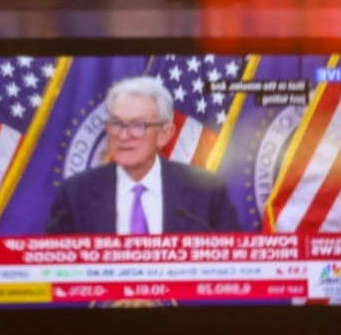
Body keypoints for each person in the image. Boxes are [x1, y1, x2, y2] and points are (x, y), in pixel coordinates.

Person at [46, 76, 240, 235]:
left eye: (138, 125)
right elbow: (54, 262)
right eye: (117, 124)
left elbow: (232, 260)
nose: (124, 136)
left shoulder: (207, 192)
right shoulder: (75, 194)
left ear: (164, 135)